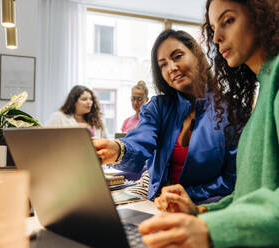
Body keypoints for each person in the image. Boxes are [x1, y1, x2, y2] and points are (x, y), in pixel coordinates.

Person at [138, 0, 279, 247]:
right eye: (213, 29)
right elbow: (253, 194)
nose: (217, 38)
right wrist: (200, 212)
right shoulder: (266, 87)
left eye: (228, 21)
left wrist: (210, 230)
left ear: (264, 13)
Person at [93, 29, 238, 202]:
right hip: (158, 207)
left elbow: (232, 179)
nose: (171, 68)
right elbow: (139, 142)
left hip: (207, 210)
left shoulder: (232, 111)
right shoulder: (158, 107)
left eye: (177, 56)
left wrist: (188, 196)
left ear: (197, 56)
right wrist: (117, 150)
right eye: (163, 64)